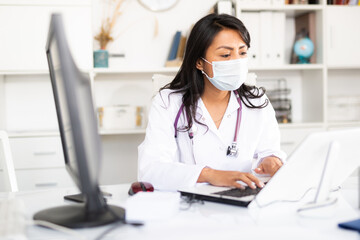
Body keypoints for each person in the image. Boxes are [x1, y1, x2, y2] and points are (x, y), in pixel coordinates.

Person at [138, 13, 286, 191]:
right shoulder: (169, 102)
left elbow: (270, 150)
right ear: (199, 62)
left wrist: (271, 160)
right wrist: (210, 175)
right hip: (189, 204)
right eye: (225, 55)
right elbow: (151, 170)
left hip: (242, 199)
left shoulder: (256, 100)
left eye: (242, 52)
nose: (237, 62)